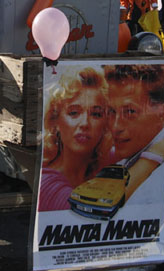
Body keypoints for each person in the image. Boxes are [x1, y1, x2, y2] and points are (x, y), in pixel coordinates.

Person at [38, 67, 112, 212]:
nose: (85, 123)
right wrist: (154, 155)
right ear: (56, 121)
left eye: (96, 114)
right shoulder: (46, 181)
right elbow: (89, 212)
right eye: (74, 113)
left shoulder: (108, 164)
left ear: (105, 124)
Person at [103, 64, 164, 201]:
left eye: (130, 112)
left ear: (161, 113)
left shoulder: (162, 173)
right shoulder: (125, 162)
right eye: (111, 111)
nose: (116, 127)